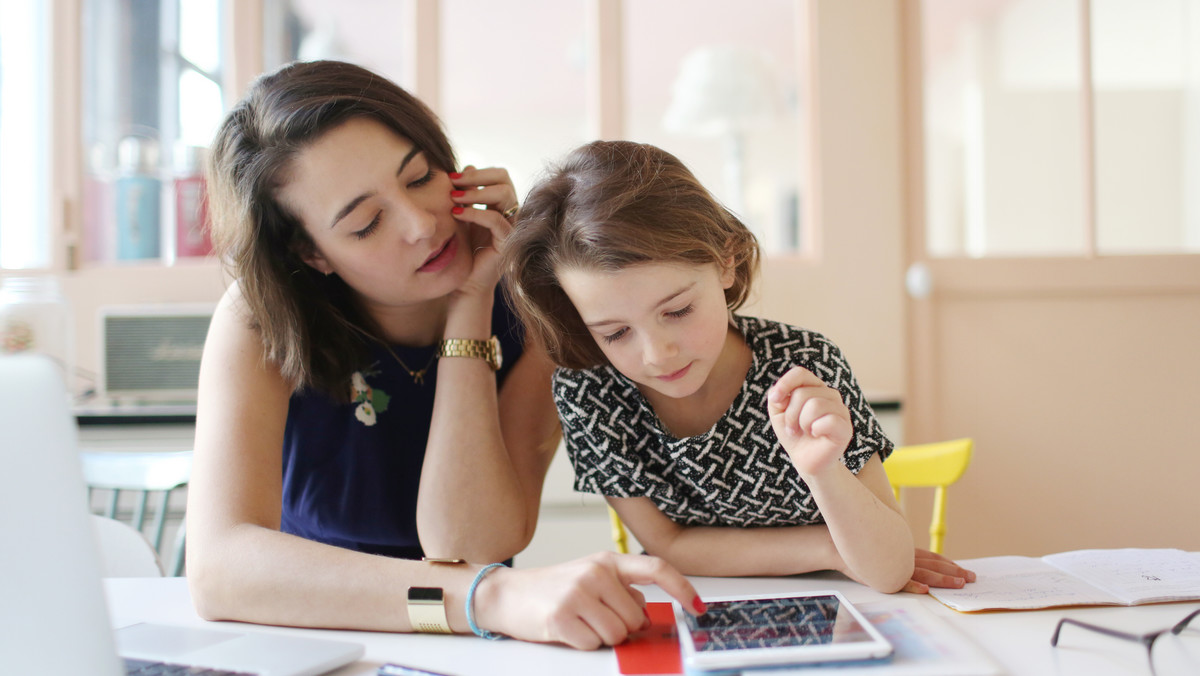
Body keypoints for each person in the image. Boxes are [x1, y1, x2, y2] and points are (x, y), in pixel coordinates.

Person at [187, 61, 702, 649]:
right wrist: (487, 598)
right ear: (311, 253)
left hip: (474, 644)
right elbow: (217, 568)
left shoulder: (537, 306)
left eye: (419, 176)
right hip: (319, 633)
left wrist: (473, 298)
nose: (421, 225)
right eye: (366, 223)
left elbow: (475, 543)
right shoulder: (257, 319)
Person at [502, 140, 975, 594]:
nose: (657, 354)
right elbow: (668, 546)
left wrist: (825, 473)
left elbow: (889, 570)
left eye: (677, 311)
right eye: (615, 333)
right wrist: (830, 548)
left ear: (726, 261)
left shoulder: (803, 365)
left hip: (840, 613)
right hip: (694, 614)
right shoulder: (591, 393)